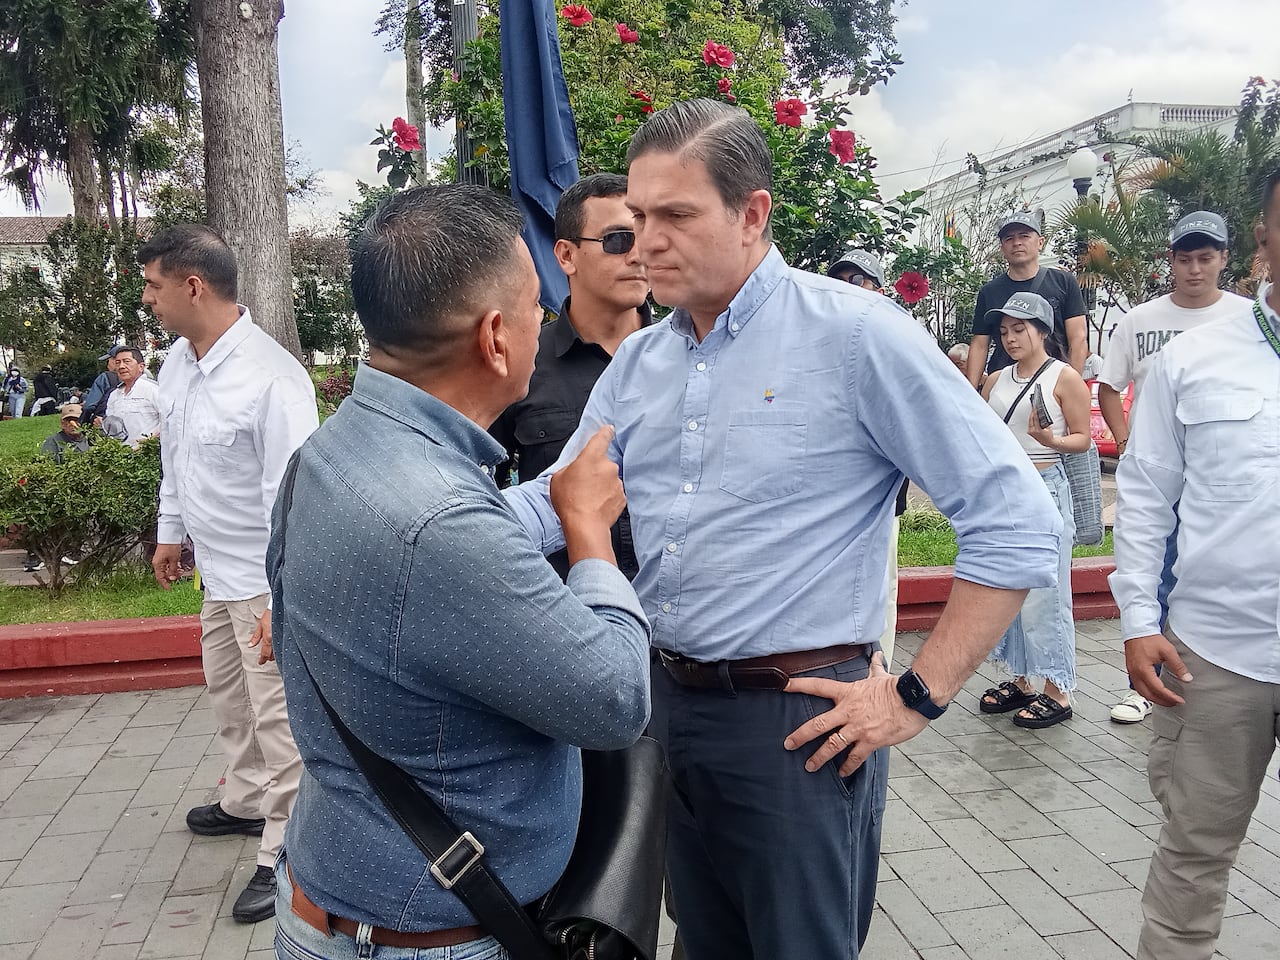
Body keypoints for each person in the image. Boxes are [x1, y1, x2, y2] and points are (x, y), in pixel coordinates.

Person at [504, 98, 1062, 960]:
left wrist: (916, 696)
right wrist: (412, 523)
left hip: (799, 726)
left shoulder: (855, 336)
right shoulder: (644, 362)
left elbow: (1018, 521)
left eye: (676, 216)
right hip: (663, 708)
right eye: (639, 218)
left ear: (753, 214)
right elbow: (556, 499)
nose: (648, 242)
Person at [268, 184, 651, 960]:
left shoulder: (332, 454)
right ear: (495, 338)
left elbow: (465, 538)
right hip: (434, 931)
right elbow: (615, 702)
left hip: (332, 893)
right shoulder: (440, 522)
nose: (544, 329)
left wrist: (570, 482)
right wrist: (587, 533)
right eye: (536, 312)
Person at [1108, 170, 1280, 960]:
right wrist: (1140, 621)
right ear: (1264, 236)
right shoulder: (1195, 358)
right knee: (1193, 855)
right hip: (1217, 653)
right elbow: (1144, 497)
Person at [144, 224, 318, 924]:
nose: (149, 300)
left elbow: (297, 496)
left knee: (278, 721)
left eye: (154, 286)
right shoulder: (179, 365)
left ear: (194, 285)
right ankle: (247, 802)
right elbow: (176, 461)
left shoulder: (273, 379)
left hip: (261, 582)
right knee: (229, 700)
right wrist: (170, 533)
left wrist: (285, 595)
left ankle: (288, 850)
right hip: (216, 573)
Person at [1097, 210, 1250, 724]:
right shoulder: (1140, 320)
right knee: (1153, 572)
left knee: (1208, 575)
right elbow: (1110, 387)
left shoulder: (1248, 321)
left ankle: (1216, 675)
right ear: (1171, 262)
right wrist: (1124, 441)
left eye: (1206, 258)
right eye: (1185, 259)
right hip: (1159, 475)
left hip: (1223, 482)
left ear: (1225, 260)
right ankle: (1145, 683)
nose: (1195, 269)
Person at [490, 172, 651, 580]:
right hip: (567, 618)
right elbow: (481, 499)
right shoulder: (521, 365)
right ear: (566, 255)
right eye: (618, 240)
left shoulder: (689, 359)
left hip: (683, 625)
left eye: (647, 236)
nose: (639, 256)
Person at [978, 293, 1091, 727]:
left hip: (1046, 485)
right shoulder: (994, 379)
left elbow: (1081, 437)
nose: (1010, 338)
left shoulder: (1064, 378)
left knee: (1047, 594)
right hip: (1005, 493)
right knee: (1010, 588)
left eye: (1020, 328)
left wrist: (1051, 442)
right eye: (1004, 331)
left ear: (1043, 330)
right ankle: (1023, 680)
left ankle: (1058, 690)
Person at [828, 248, 905, 666]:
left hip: (879, 493)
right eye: (839, 279)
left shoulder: (892, 338)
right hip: (830, 493)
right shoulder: (815, 341)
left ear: (878, 288)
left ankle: (881, 670)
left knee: (881, 584)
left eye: (858, 280)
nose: (848, 288)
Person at [966, 211, 1089, 386]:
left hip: (1052, 382)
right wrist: (971, 392)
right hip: (1005, 385)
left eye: (1024, 236)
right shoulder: (989, 291)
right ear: (1002, 248)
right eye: (1009, 238)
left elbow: (1078, 337)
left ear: (1040, 242)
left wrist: (1069, 386)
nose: (1017, 243)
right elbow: (980, 344)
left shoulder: (1064, 281)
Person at [101, 347, 160, 447]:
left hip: (149, 454)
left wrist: (149, 441)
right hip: (122, 456)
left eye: (126, 361)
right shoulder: (114, 395)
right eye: (118, 363)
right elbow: (111, 427)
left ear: (141, 367)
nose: (121, 366)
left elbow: (169, 421)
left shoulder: (153, 390)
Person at [80, 346, 123, 424]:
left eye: (108, 360)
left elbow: (89, 406)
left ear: (115, 360)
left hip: (103, 424)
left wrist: (83, 423)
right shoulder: (140, 379)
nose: (107, 364)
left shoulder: (105, 378)